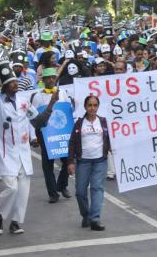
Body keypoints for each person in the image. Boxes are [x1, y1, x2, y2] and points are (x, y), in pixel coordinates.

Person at [0, 62, 38, 235]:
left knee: (23, 190)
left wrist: (35, 135)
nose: (16, 84)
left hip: (23, 151)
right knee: (11, 188)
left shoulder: (23, 100)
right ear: (5, 86)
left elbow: (34, 119)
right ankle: (0, 215)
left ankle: (15, 222)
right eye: (12, 82)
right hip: (6, 152)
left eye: (16, 81)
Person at [67, 95, 110, 231]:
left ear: (98, 106)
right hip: (83, 161)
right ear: (85, 107)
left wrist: (112, 148)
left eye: (95, 105)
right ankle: (86, 215)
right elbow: (72, 142)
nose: (92, 108)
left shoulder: (103, 122)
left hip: (100, 161)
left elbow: (111, 138)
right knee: (80, 192)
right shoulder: (79, 123)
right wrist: (70, 162)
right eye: (90, 105)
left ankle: (95, 219)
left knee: (97, 188)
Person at [29, 68, 71, 203]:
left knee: (67, 161)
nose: (51, 80)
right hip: (45, 134)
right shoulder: (37, 96)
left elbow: (68, 111)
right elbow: (33, 118)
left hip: (62, 133)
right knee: (48, 165)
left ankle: (62, 185)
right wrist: (33, 136)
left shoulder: (63, 93)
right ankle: (53, 193)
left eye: (53, 77)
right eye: (48, 78)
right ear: (43, 80)